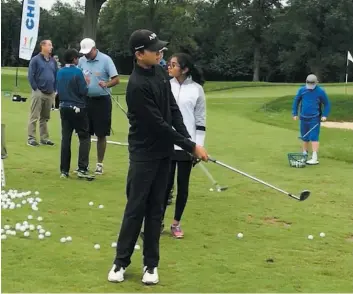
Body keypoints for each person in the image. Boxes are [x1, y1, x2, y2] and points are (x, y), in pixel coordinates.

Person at [108, 29, 208, 285]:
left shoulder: (162, 74)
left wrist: (190, 144)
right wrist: (190, 146)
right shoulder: (136, 86)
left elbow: (173, 112)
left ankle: (150, 265)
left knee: (156, 211)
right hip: (143, 156)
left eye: (161, 49)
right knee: (135, 209)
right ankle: (120, 262)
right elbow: (158, 125)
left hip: (164, 155)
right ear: (139, 54)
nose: (161, 53)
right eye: (155, 50)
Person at [161, 53, 206, 238]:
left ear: (185, 69)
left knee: (182, 186)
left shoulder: (197, 90)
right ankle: (158, 222)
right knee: (164, 185)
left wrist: (198, 146)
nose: (169, 67)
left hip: (187, 145)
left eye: (173, 65)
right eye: (169, 64)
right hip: (167, 143)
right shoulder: (164, 85)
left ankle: (175, 224)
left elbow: (200, 121)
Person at [78, 38, 120, 175]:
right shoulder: (82, 61)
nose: (86, 55)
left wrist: (106, 84)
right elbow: (78, 76)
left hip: (102, 100)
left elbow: (116, 79)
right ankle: (83, 164)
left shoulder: (106, 60)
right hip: (86, 100)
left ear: (94, 48)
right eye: (84, 53)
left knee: (101, 134)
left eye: (88, 52)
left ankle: (99, 164)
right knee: (85, 133)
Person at [56, 49, 93, 179]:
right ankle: (82, 168)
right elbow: (83, 91)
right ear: (74, 59)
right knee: (84, 137)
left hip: (63, 106)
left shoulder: (60, 72)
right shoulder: (78, 72)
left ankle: (64, 170)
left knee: (66, 138)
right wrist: (87, 82)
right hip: (77, 107)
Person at [292, 74, 331, 165]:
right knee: (304, 137)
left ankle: (314, 157)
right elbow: (296, 101)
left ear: (316, 83)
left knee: (314, 137)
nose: (310, 87)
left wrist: (325, 115)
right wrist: (294, 113)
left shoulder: (320, 91)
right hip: (303, 117)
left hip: (315, 118)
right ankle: (304, 156)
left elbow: (327, 104)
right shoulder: (302, 90)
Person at [27, 40, 57, 147]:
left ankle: (44, 138)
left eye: (51, 45)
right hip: (38, 91)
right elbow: (31, 75)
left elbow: (55, 75)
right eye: (49, 45)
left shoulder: (53, 61)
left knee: (45, 117)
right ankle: (31, 138)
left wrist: (54, 89)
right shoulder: (35, 60)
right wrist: (36, 89)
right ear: (42, 46)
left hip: (50, 92)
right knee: (34, 116)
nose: (51, 47)